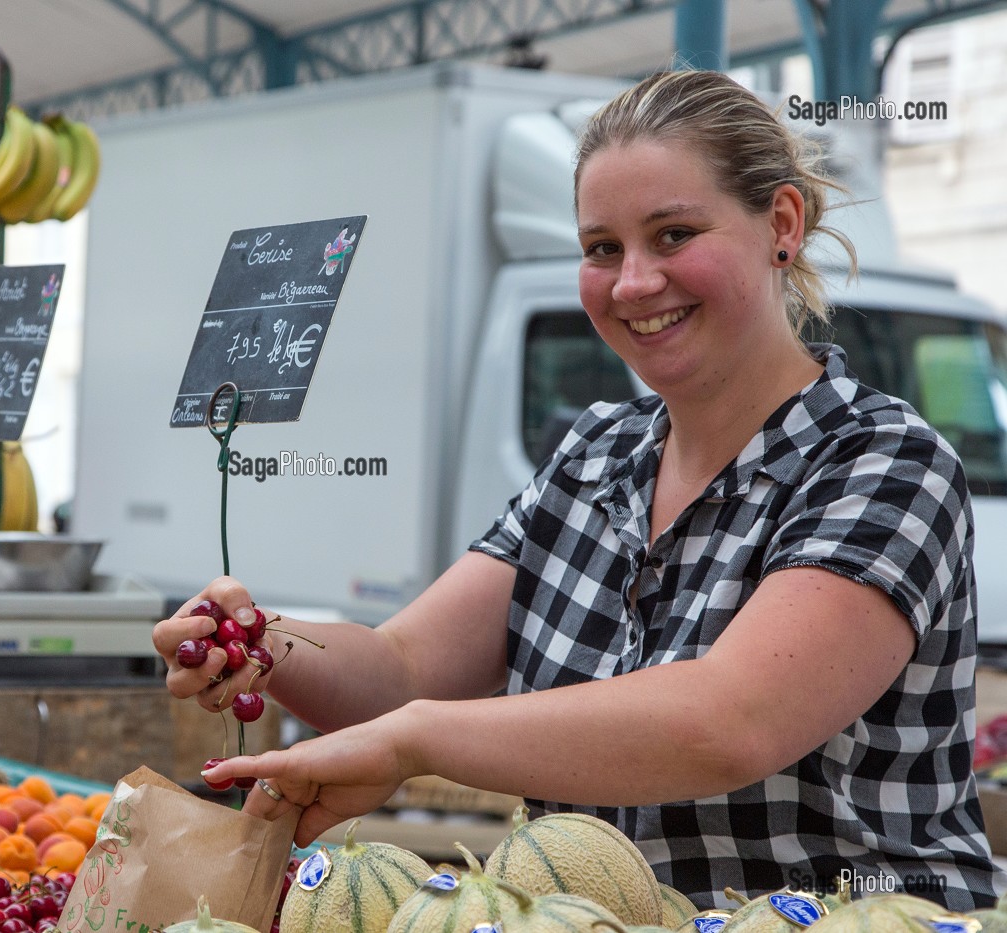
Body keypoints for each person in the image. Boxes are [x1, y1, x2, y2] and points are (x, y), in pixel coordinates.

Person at [151, 69, 1006, 911]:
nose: (633, 281)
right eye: (603, 248)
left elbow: (729, 719)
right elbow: (403, 667)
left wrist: (415, 741)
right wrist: (262, 641)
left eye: (672, 235)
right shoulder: (595, 455)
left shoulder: (883, 463)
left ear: (782, 223)